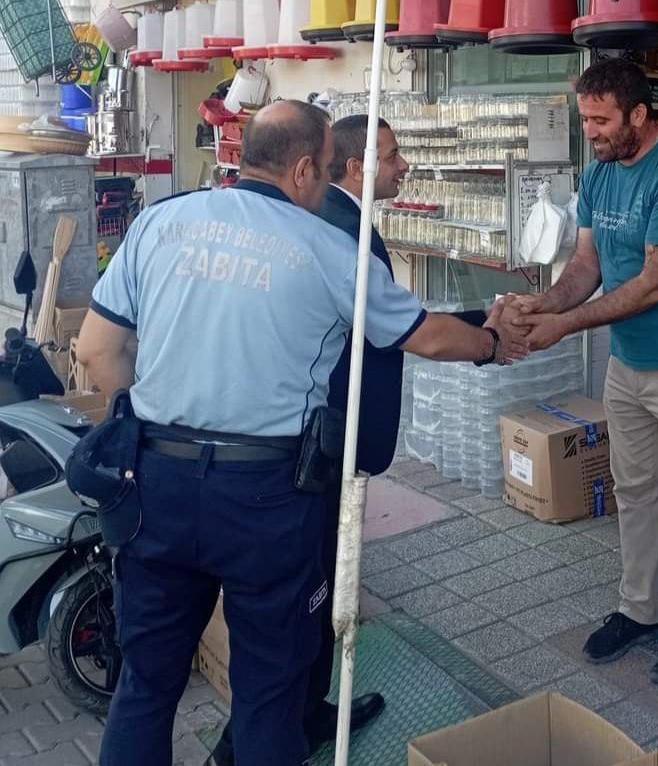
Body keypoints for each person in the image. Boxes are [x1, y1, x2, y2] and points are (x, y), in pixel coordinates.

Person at [76, 100, 523, 766]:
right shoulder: (328, 249)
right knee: (269, 694)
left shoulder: (161, 223)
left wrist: (141, 427)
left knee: (145, 686)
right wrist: (491, 344)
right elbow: (424, 336)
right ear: (306, 169)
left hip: (156, 484)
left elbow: (95, 350)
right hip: (265, 494)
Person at [208, 113, 500, 765]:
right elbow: (399, 331)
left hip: (316, 440)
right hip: (320, 443)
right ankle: (243, 744)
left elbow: (392, 317)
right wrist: (491, 338)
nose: (404, 167)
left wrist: (479, 320)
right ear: (351, 166)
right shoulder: (339, 229)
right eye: (392, 156)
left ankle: (309, 711)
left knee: (317, 588)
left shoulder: (339, 220)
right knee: (303, 595)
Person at [508, 58, 658, 685]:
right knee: (635, 492)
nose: (590, 131)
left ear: (638, 114)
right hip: (629, 361)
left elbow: (654, 283)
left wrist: (565, 326)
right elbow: (586, 266)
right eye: (585, 119)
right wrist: (543, 305)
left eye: (601, 120)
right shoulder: (601, 172)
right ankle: (639, 610)